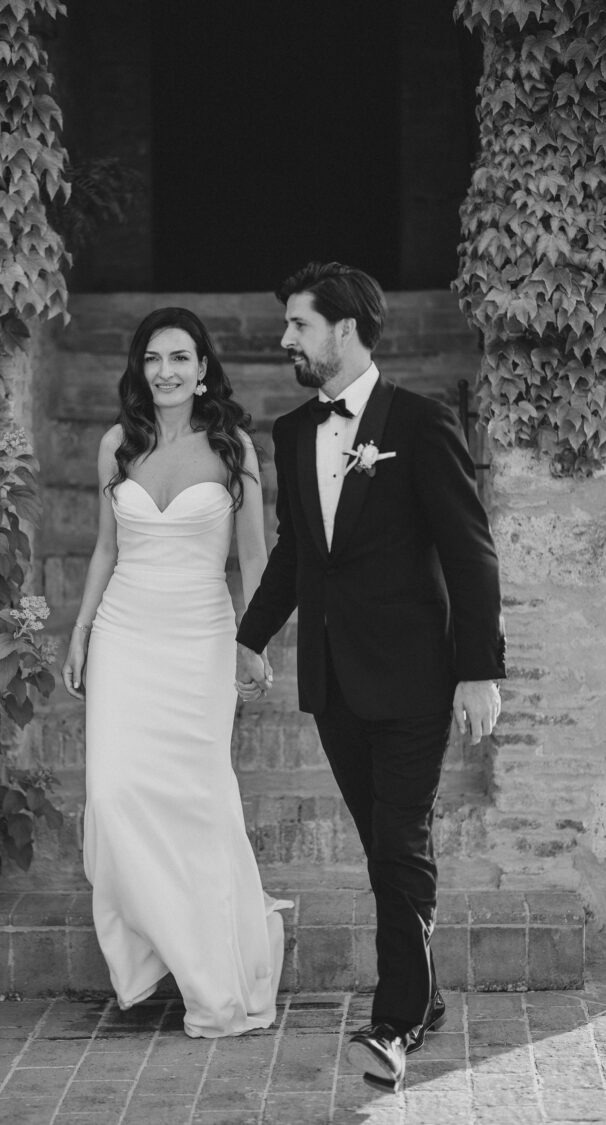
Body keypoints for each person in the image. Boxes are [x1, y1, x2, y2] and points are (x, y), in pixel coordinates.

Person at [236, 262, 505, 1089]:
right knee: (384, 847)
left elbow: (469, 550)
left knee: (399, 842)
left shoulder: (420, 423)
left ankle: (395, 1025)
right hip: (334, 682)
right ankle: (423, 999)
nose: (286, 339)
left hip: (418, 677)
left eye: (299, 325)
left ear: (344, 330)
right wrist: (252, 637)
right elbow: (295, 551)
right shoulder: (289, 432)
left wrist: (478, 671)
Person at [61, 306, 291, 1039]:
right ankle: (162, 943)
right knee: (112, 790)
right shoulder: (115, 446)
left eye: (180, 358)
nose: (166, 371)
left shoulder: (234, 448)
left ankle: (211, 977)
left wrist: (255, 643)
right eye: (154, 358)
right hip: (125, 634)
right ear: (140, 368)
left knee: (198, 799)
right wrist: (81, 627)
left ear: (202, 369)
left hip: (200, 636)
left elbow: (253, 558)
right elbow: (105, 549)